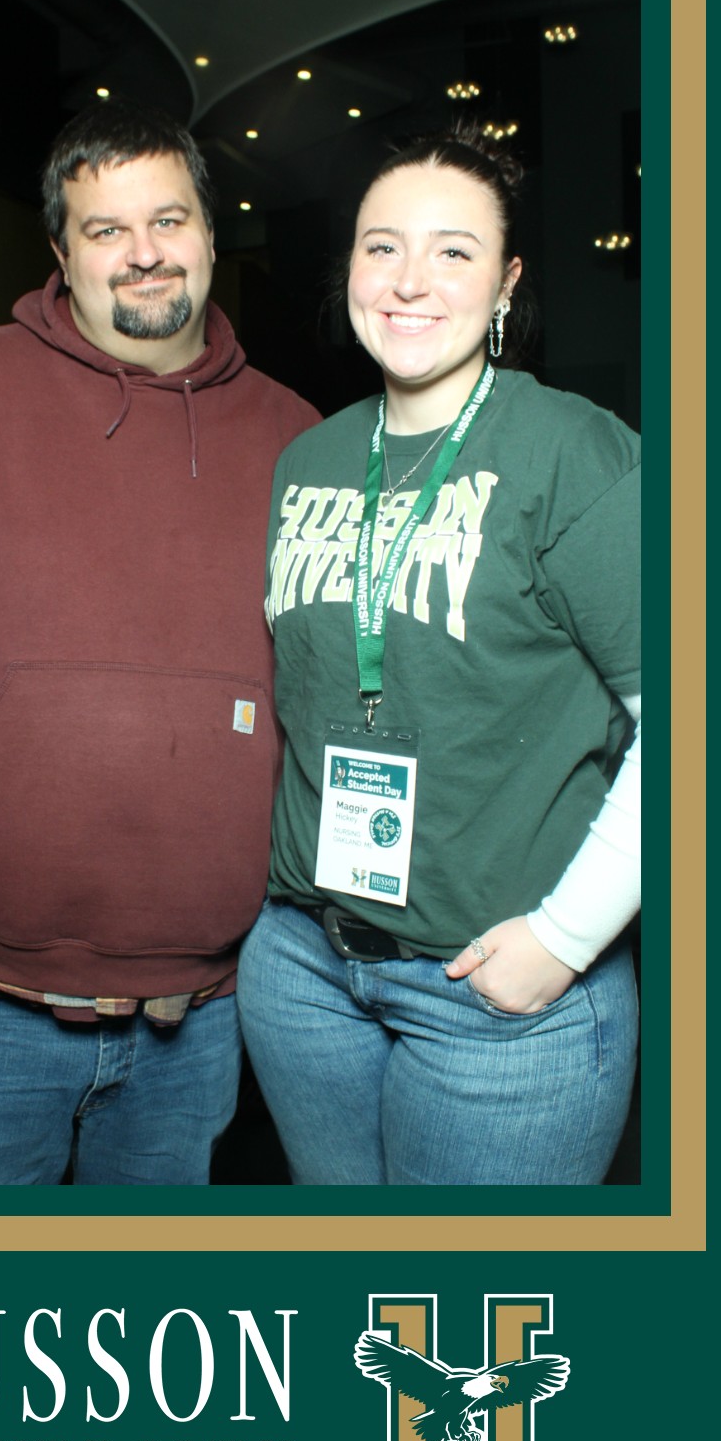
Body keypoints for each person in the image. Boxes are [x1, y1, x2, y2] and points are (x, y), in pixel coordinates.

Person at [0, 100, 318, 1186]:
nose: (144, 254)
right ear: (60, 252)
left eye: (168, 220)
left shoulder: (300, 441)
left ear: (211, 233)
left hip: (202, 1008)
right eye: (106, 230)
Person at [237, 120, 640, 1186]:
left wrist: (567, 936)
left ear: (506, 284)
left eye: (453, 251)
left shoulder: (575, 453)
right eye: (383, 247)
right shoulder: (307, 458)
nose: (410, 280)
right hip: (305, 972)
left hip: (498, 1001)